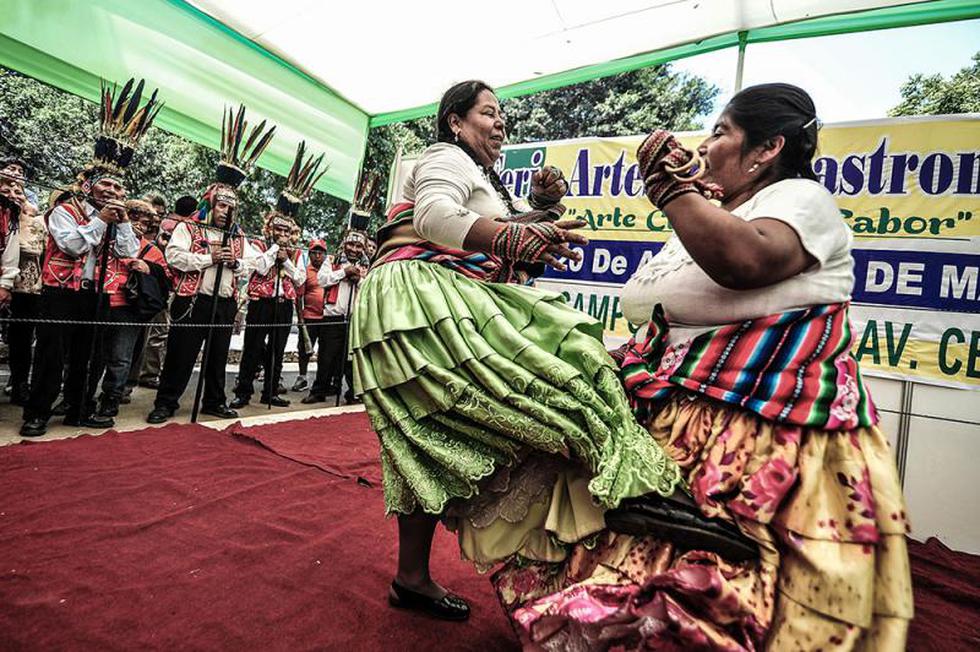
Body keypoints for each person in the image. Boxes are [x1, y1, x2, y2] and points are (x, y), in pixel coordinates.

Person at [492, 83, 913, 650]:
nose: (705, 145)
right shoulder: (708, 216)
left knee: (718, 593)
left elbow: (745, 262)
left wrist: (672, 190)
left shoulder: (801, 199)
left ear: (767, 149)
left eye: (721, 132)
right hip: (676, 414)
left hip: (761, 437)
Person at [349, 80, 740, 622]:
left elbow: (494, 238)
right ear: (455, 122)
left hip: (409, 305)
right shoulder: (444, 155)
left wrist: (542, 213)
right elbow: (435, 218)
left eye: (502, 115)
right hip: (419, 299)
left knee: (426, 441)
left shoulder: (479, 177)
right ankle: (629, 487)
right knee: (575, 355)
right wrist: (515, 235)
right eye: (488, 113)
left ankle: (410, 578)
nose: (501, 123)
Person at [20, 78, 158, 437]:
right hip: (60, 292)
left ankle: (77, 408)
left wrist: (123, 222)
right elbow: (72, 246)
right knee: (51, 355)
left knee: (89, 354)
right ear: (88, 186)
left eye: (118, 187)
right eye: (106, 185)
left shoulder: (118, 218)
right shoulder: (64, 210)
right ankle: (37, 413)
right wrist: (101, 220)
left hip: (95, 295)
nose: (113, 191)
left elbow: (128, 252)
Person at [147, 105, 274, 424]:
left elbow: (254, 264)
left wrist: (236, 263)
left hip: (224, 303)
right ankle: (166, 401)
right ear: (211, 204)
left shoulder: (238, 235)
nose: (226, 211)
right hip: (194, 301)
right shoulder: (188, 227)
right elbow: (174, 256)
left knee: (218, 356)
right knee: (181, 354)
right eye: (221, 205)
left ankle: (214, 401)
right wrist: (209, 258)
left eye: (231, 207)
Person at [88, 199, 170, 417]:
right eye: (134, 218)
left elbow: (166, 279)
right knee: (92, 355)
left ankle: (111, 400)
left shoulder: (151, 250)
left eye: (145, 223)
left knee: (120, 357)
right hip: (97, 301)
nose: (139, 225)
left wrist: (149, 268)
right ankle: (82, 398)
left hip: (128, 308)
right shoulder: (102, 237)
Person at [300, 231, 366, 404]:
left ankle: (353, 393)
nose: (354, 249)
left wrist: (358, 280)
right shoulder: (332, 261)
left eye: (358, 246)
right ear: (344, 244)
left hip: (354, 318)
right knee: (326, 357)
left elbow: (370, 288)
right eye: (351, 245)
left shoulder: (367, 265)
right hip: (333, 317)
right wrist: (344, 272)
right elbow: (322, 280)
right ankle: (318, 391)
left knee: (351, 359)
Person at [6, 199, 45, 406]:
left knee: (21, 339)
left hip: (26, 288)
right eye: (7, 189)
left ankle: (19, 384)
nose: (13, 195)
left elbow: (41, 253)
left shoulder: (36, 225)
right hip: (6, 281)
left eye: (17, 192)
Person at [292, 239, 327, 392]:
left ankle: (323, 381)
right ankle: (302, 377)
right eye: (314, 253)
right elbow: (298, 296)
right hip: (309, 317)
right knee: (304, 349)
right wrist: (300, 319)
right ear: (310, 254)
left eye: (321, 253)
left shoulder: (329, 271)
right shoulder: (305, 272)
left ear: (325, 255)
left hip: (327, 318)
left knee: (325, 352)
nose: (317, 256)